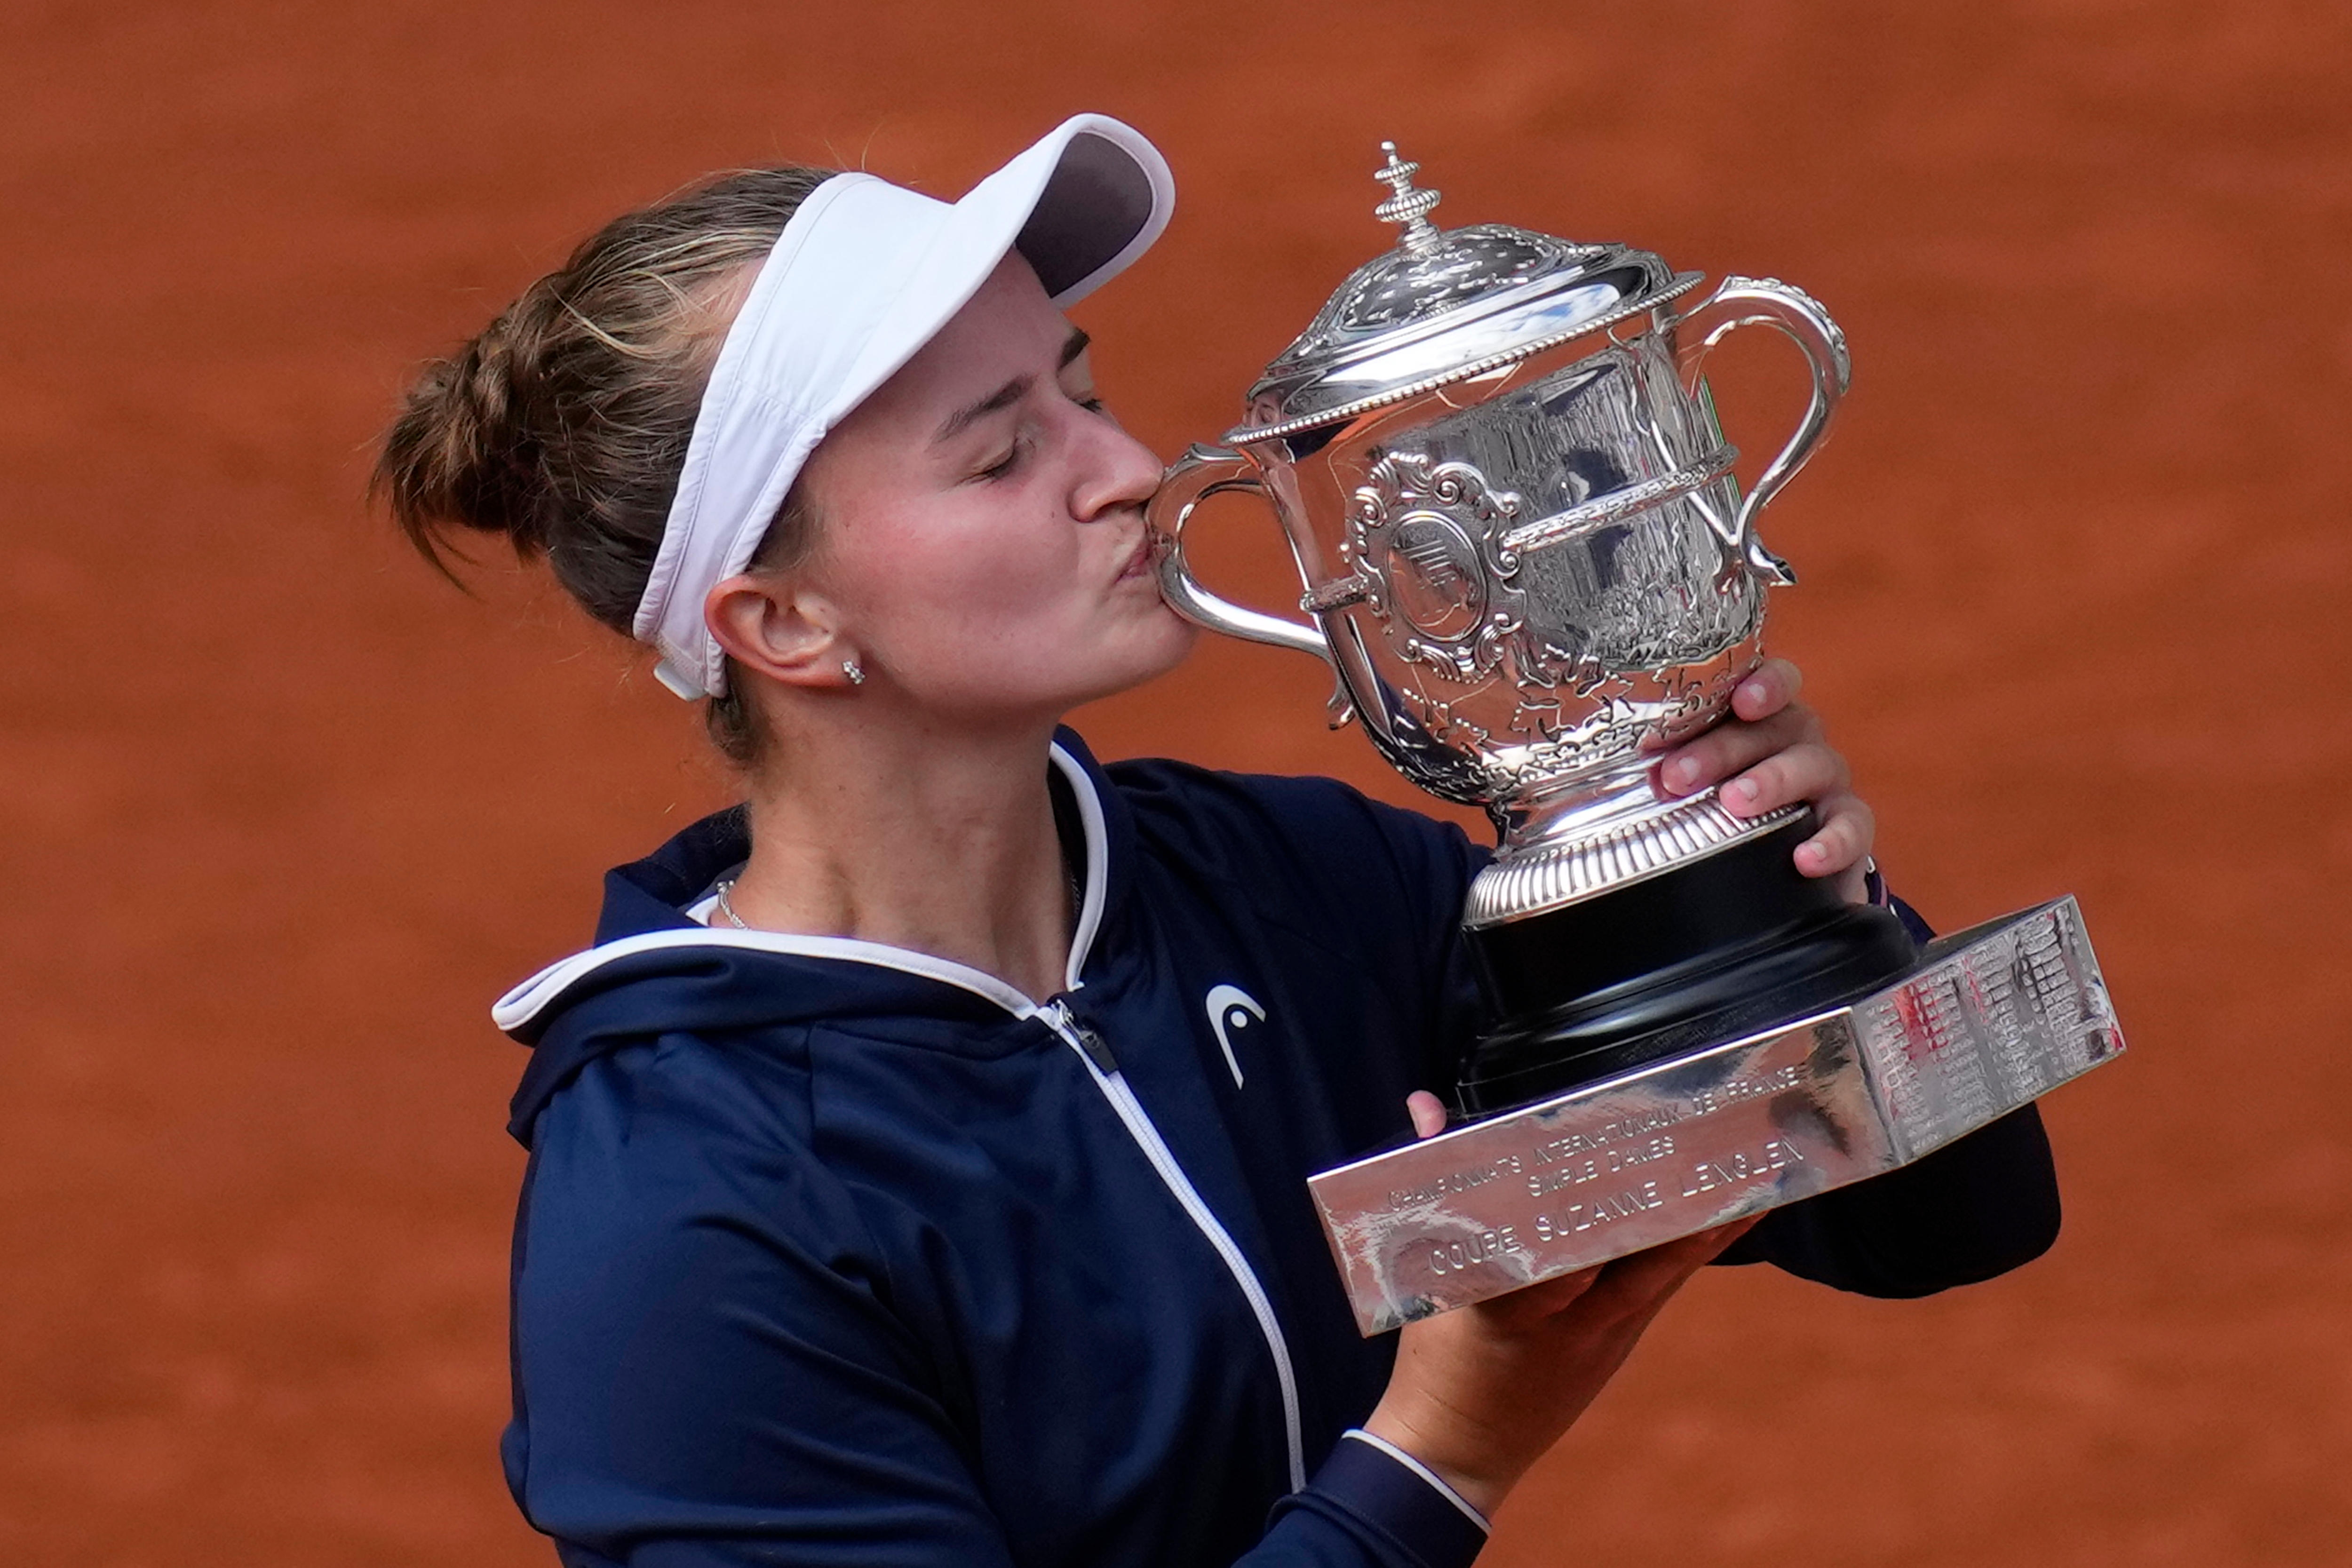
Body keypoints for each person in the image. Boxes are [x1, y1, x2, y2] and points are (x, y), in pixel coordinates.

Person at [378, 115, 2060, 1568]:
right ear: (787, 622)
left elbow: (1935, 1228)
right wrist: (1435, 1463)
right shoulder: (689, 1218)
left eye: (1085, 391)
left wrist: (1784, 902)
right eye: (1003, 452)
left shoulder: (1293, 889)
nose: (1126, 471)